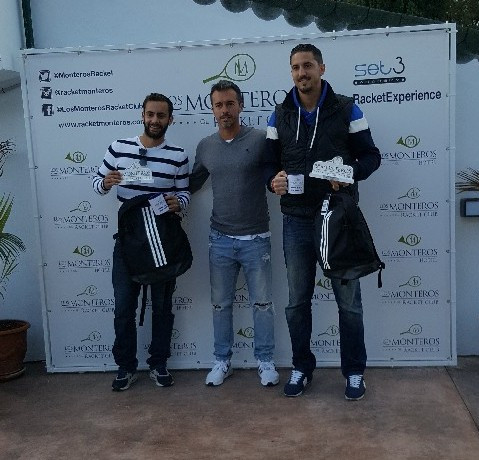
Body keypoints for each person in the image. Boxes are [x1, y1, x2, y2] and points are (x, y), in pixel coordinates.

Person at [266, 44, 381, 400]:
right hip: (296, 219)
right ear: (291, 72)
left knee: (349, 302)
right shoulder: (279, 114)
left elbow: (371, 156)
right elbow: (269, 164)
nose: (302, 73)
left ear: (321, 68)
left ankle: (355, 372)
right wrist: (273, 180)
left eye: (308, 66)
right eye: (296, 67)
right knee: (297, 302)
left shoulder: (347, 108)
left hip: (338, 216)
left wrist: (350, 173)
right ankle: (302, 367)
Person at [92, 93, 190, 391]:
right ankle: (125, 366)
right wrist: (106, 182)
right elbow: (96, 184)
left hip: (162, 242)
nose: (155, 120)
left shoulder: (178, 156)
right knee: (123, 307)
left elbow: (184, 194)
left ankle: (159, 364)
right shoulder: (118, 148)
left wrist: (178, 202)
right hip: (127, 242)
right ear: (142, 115)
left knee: (162, 307)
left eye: (161, 115)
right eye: (150, 114)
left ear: (170, 119)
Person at [190, 80, 279, 387]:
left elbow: (276, 174)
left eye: (230, 104)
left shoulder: (260, 139)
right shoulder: (205, 146)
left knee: (263, 304)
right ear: (212, 110)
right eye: (219, 105)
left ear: (240, 105)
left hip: (256, 238)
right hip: (220, 240)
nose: (224, 110)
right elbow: (192, 183)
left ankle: (265, 361)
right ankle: (221, 361)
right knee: (220, 304)